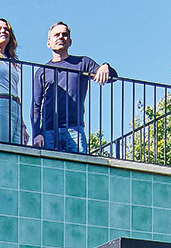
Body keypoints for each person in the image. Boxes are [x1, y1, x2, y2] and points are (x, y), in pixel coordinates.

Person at [28, 21, 116, 152]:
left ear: (70, 41)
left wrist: (106, 66)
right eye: (56, 35)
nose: (60, 37)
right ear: (48, 43)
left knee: (78, 169)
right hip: (49, 130)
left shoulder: (82, 63)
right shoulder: (42, 72)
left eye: (64, 34)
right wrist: (37, 133)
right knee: (49, 170)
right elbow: (36, 105)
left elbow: (112, 77)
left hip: (75, 128)